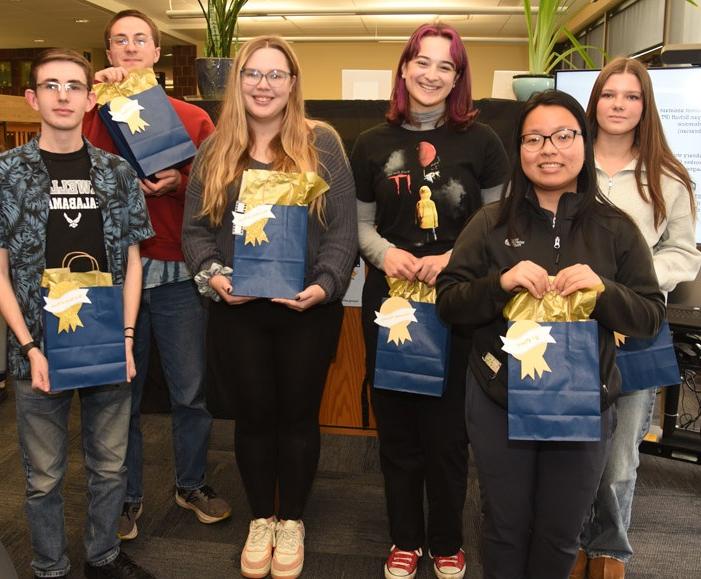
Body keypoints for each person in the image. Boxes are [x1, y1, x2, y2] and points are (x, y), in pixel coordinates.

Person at [436, 90, 666, 579]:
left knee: (562, 532)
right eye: (535, 138)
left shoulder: (616, 228)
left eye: (563, 136)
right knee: (504, 525)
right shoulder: (490, 223)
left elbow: (649, 315)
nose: (549, 149)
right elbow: (450, 303)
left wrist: (603, 291)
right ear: (519, 150)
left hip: (585, 403)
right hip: (500, 399)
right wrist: (499, 285)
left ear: (583, 142)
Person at [182, 36, 357, 579]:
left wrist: (325, 284)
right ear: (238, 82)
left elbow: (342, 231)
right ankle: (263, 517)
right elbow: (195, 230)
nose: (263, 84)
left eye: (275, 74)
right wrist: (214, 275)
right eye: (253, 74)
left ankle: (294, 521)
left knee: (298, 416)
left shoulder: (321, 142)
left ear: (293, 84)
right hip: (238, 310)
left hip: (306, 308)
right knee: (254, 418)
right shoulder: (216, 148)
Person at [350, 22, 509, 579]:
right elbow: (360, 225)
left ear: (458, 78)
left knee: (447, 433)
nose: (432, 73)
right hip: (390, 298)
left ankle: (446, 539)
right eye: (422, 61)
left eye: (446, 65)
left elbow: (497, 224)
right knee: (397, 427)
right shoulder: (371, 143)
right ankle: (404, 538)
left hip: (457, 302)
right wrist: (386, 254)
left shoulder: (483, 142)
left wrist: (453, 259)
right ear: (403, 68)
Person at [0, 48, 155, 579]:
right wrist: (28, 346)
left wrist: (128, 339)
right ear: (32, 98)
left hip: (107, 341)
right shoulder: (6, 173)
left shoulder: (117, 173)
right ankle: (48, 565)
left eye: (73, 86)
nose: (63, 95)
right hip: (36, 347)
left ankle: (103, 556)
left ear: (91, 99)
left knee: (110, 467)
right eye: (50, 85)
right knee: (43, 476)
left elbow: (133, 264)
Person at [82, 9, 230, 540]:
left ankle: (190, 484)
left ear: (157, 52)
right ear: (109, 54)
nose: (130, 47)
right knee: (122, 391)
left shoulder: (193, 119)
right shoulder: (92, 115)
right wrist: (91, 97)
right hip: (115, 273)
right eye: (119, 40)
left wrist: (180, 179)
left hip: (176, 271)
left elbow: (219, 187)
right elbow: (71, 165)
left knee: (190, 391)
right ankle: (127, 495)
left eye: (140, 39)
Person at [572, 58, 701, 579]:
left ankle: (610, 554)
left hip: (635, 325)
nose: (619, 105)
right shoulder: (570, 163)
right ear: (595, 102)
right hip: (570, 324)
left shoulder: (668, 177)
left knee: (622, 455)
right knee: (572, 442)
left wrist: (634, 281)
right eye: (609, 95)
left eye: (631, 97)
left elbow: (685, 255)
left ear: (645, 107)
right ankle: (571, 542)